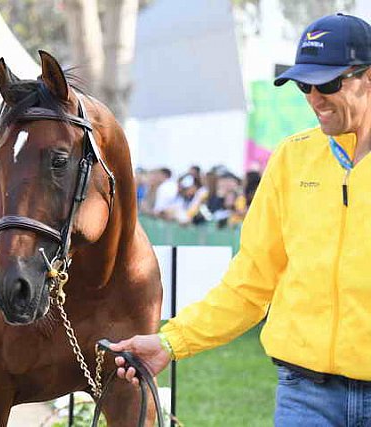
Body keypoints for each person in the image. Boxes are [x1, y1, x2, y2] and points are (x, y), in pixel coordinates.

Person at [111, 13, 371, 425]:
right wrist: (168, 342)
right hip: (306, 396)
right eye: (305, 85)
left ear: (368, 76)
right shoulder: (291, 158)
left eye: (328, 83)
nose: (314, 98)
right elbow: (249, 284)